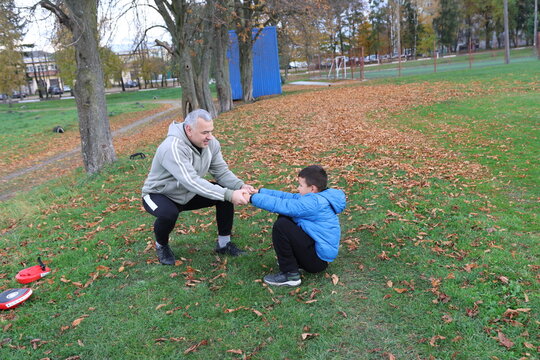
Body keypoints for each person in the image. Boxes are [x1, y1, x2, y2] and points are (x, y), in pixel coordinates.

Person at [141, 109, 256, 265]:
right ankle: (161, 246)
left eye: (211, 131)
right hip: (159, 194)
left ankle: (224, 244)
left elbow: (221, 171)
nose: (209, 136)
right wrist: (230, 194)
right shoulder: (172, 147)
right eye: (204, 132)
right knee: (168, 214)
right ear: (189, 130)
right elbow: (192, 181)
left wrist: (240, 185)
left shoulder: (211, 143)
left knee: (222, 196)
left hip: (187, 192)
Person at [245, 165, 346, 286]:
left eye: (301, 185)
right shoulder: (319, 197)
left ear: (312, 188)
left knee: (282, 225)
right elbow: (289, 197)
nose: (298, 188)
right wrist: (260, 192)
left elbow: (283, 205)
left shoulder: (314, 203)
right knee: (285, 218)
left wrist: (251, 198)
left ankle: (290, 274)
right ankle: (294, 263)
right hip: (317, 256)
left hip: (317, 261)